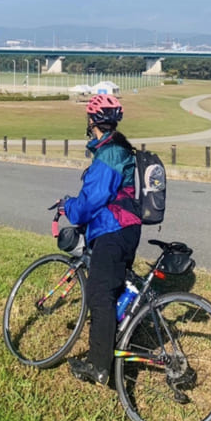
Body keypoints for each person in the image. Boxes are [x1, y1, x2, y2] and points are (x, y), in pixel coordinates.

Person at [57, 94, 141, 386]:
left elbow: (91, 201)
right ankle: (118, 347)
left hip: (113, 230)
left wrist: (68, 206)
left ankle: (98, 366)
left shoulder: (109, 155)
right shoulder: (117, 148)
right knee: (114, 290)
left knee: (99, 294)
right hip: (126, 229)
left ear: (92, 121)